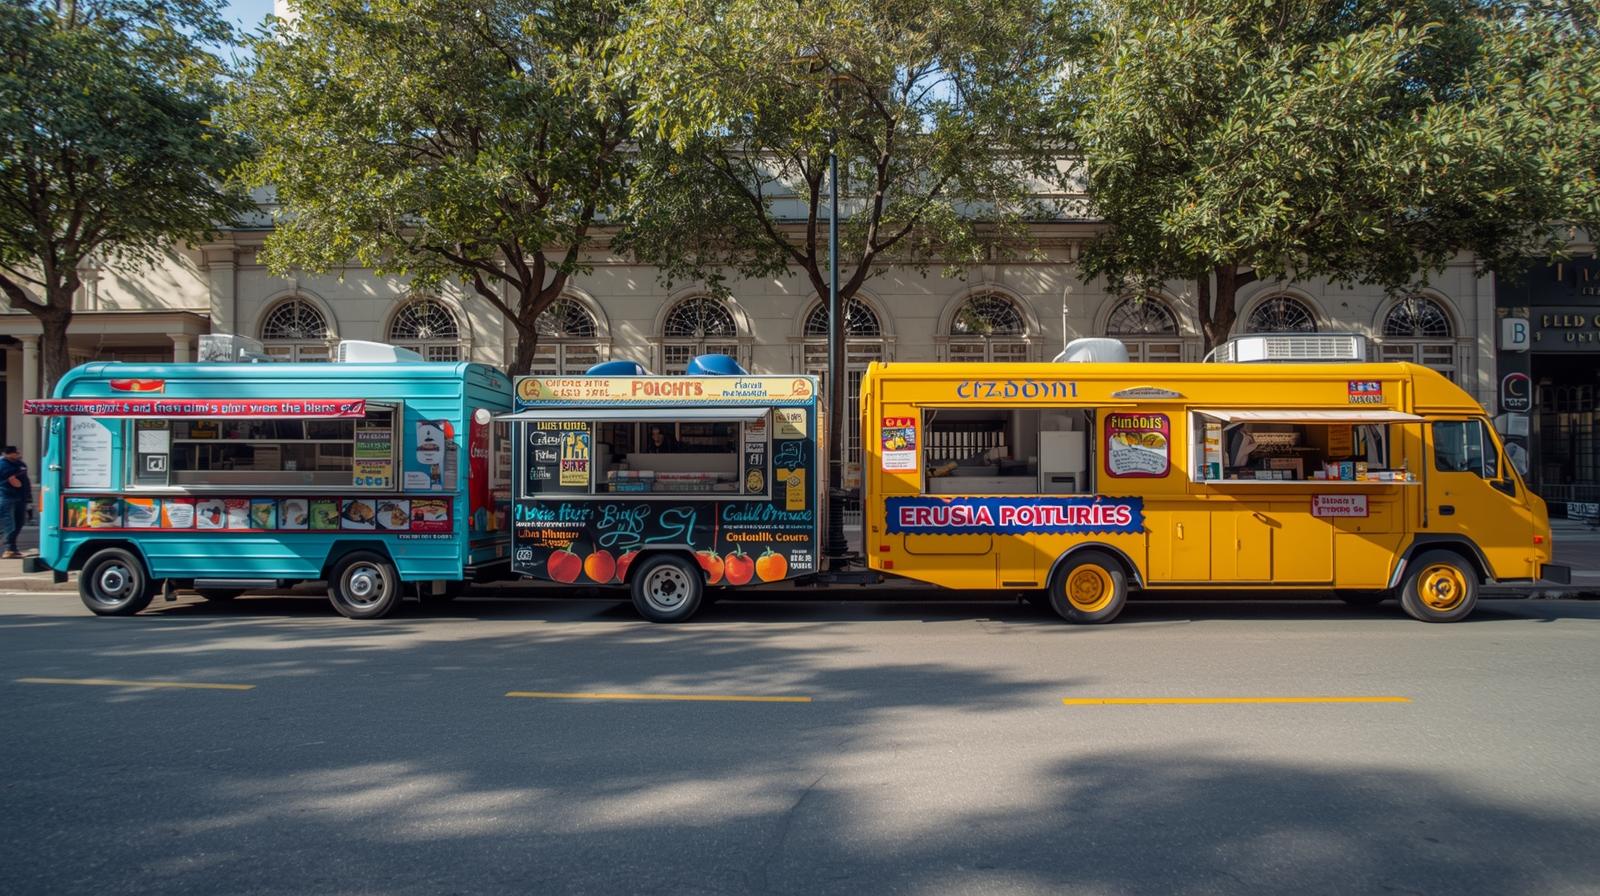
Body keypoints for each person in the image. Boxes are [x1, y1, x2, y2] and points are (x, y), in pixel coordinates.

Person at [0, 445, 31, 559]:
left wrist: (28, 497)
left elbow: (25, 480)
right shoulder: (3, 465)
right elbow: (14, 482)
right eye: (16, 453)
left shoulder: (20, 464)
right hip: (7, 497)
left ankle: (11, 549)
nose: (18, 454)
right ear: (8, 454)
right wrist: (18, 484)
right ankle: (9, 549)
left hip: (21, 497)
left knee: (19, 522)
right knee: (9, 525)